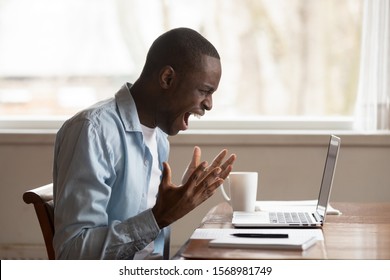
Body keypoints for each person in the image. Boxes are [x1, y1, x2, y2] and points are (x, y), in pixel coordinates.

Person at [52, 27, 236, 260]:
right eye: (204, 91)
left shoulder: (159, 138)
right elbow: (72, 253)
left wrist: (178, 203)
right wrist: (160, 217)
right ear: (167, 78)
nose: (209, 104)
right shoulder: (92, 130)